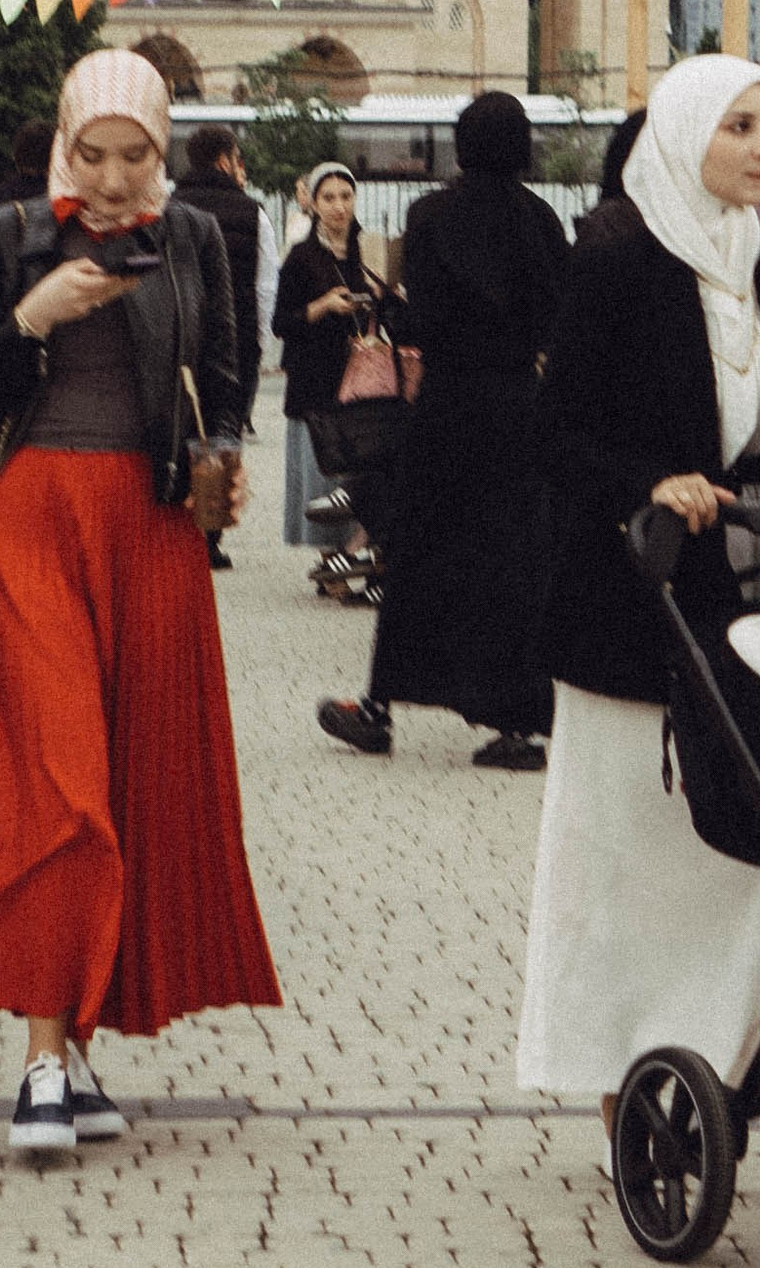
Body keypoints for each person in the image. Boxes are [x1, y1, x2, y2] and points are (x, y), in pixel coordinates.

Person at [517, 53, 760, 1198]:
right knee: (628, 859)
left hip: (755, 597)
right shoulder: (616, 261)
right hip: (634, 598)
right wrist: (650, 482)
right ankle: (626, 1086)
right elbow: (556, 430)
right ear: (681, 139)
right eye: (737, 127)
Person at [0, 50, 277, 1154]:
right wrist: (34, 316)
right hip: (31, 521)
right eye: (93, 154)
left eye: (135, 155)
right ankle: (39, 1063)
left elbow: (226, 376)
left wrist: (223, 460)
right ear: (63, 145)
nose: (114, 180)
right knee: (57, 785)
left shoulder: (194, 236)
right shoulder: (3, 237)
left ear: (162, 151)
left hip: (155, 528)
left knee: (129, 785)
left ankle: (72, 1040)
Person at [321, 92, 571, 770]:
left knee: (421, 549)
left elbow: (422, 320)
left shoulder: (430, 215)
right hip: (516, 407)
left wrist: (399, 315)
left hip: (446, 408)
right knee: (511, 561)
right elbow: (557, 317)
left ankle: (380, 707)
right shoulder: (541, 221)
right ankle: (517, 723)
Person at [276, 162, 395, 594]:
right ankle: (331, 563)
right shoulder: (301, 258)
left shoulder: (369, 253)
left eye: (346, 196)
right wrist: (323, 306)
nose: (339, 206)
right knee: (321, 476)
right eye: (329, 197)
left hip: (363, 385)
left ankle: (361, 557)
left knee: (363, 474)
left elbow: (392, 315)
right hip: (316, 383)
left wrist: (385, 298)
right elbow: (281, 323)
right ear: (313, 203)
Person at [174, 125, 275, 570]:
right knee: (222, 432)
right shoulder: (253, 213)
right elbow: (266, 285)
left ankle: (176, 526)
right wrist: (260, 343)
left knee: (178, 429)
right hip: (234, 341)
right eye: (237, 158)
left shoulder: (167, 209)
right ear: (224, 160)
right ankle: (210, 537)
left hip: (178, 340)